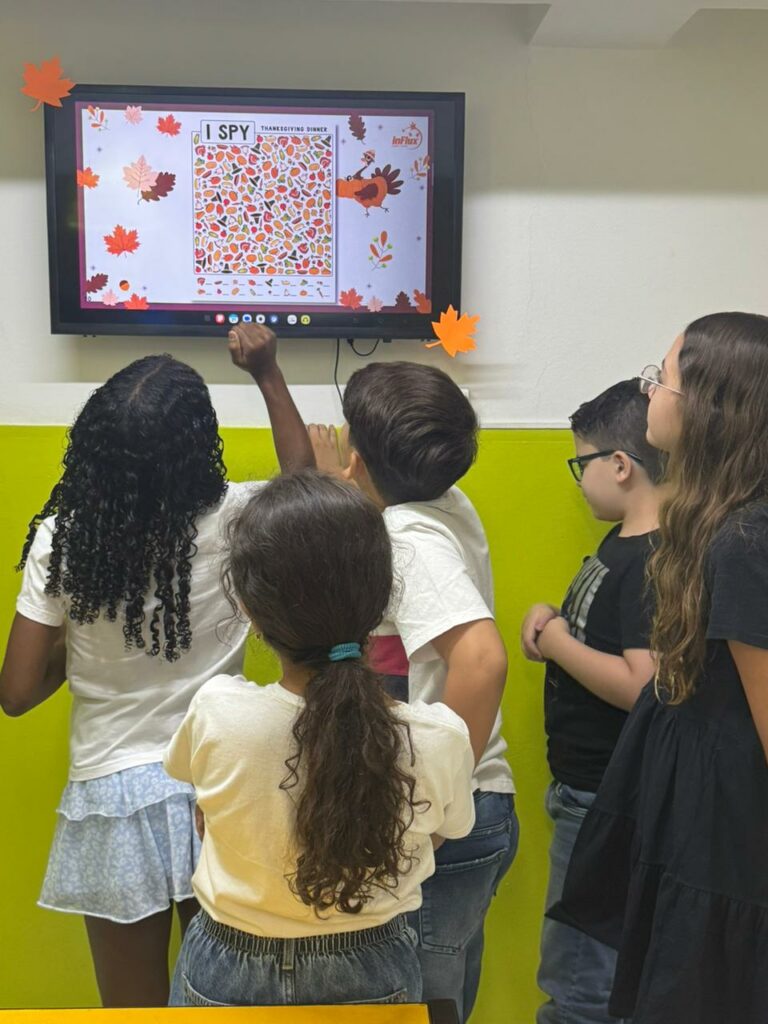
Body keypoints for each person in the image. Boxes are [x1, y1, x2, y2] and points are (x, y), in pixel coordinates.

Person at [0, 326, 312, 1006]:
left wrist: (84, 643)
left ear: (95, 447)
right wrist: (267, 373)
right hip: (221, 779)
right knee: (223, 1003)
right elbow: (304, 485)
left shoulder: (65, 538)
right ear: (197, 447)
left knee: (131, 1012)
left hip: (113, 794)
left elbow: (16, 692)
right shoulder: (234, 519)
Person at [164, 471, 476, 1007]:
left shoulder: (218, 711)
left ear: (248, 608)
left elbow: (205, 812)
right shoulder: (439, 737)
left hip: (226, 965)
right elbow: (441, 835)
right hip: (371, 969)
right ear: (382, 601)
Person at [550, 312, 768, 1024]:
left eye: (662, 377)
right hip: (695, 830)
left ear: (711, 407)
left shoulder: (744, 541)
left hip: (727, 852)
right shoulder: (710, 525)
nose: (650, 391)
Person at [308, 361, 516, 1022]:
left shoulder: (410, 539)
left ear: (360, 459)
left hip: (452, 814)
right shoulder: (444, 503)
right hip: (475, 807)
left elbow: (481, 659)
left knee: (416, 999)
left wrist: (436, 799)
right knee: (441, 992)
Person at [521, 380, 664, 1024]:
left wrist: (556, 642)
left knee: (579, 982)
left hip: (603, 800)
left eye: (583, 464)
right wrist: (555, 623)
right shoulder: (623, 541)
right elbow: (603, 637)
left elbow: (640, 685)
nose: (580, 480)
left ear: (621, 465)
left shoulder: (652, 558)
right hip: (586, 791)